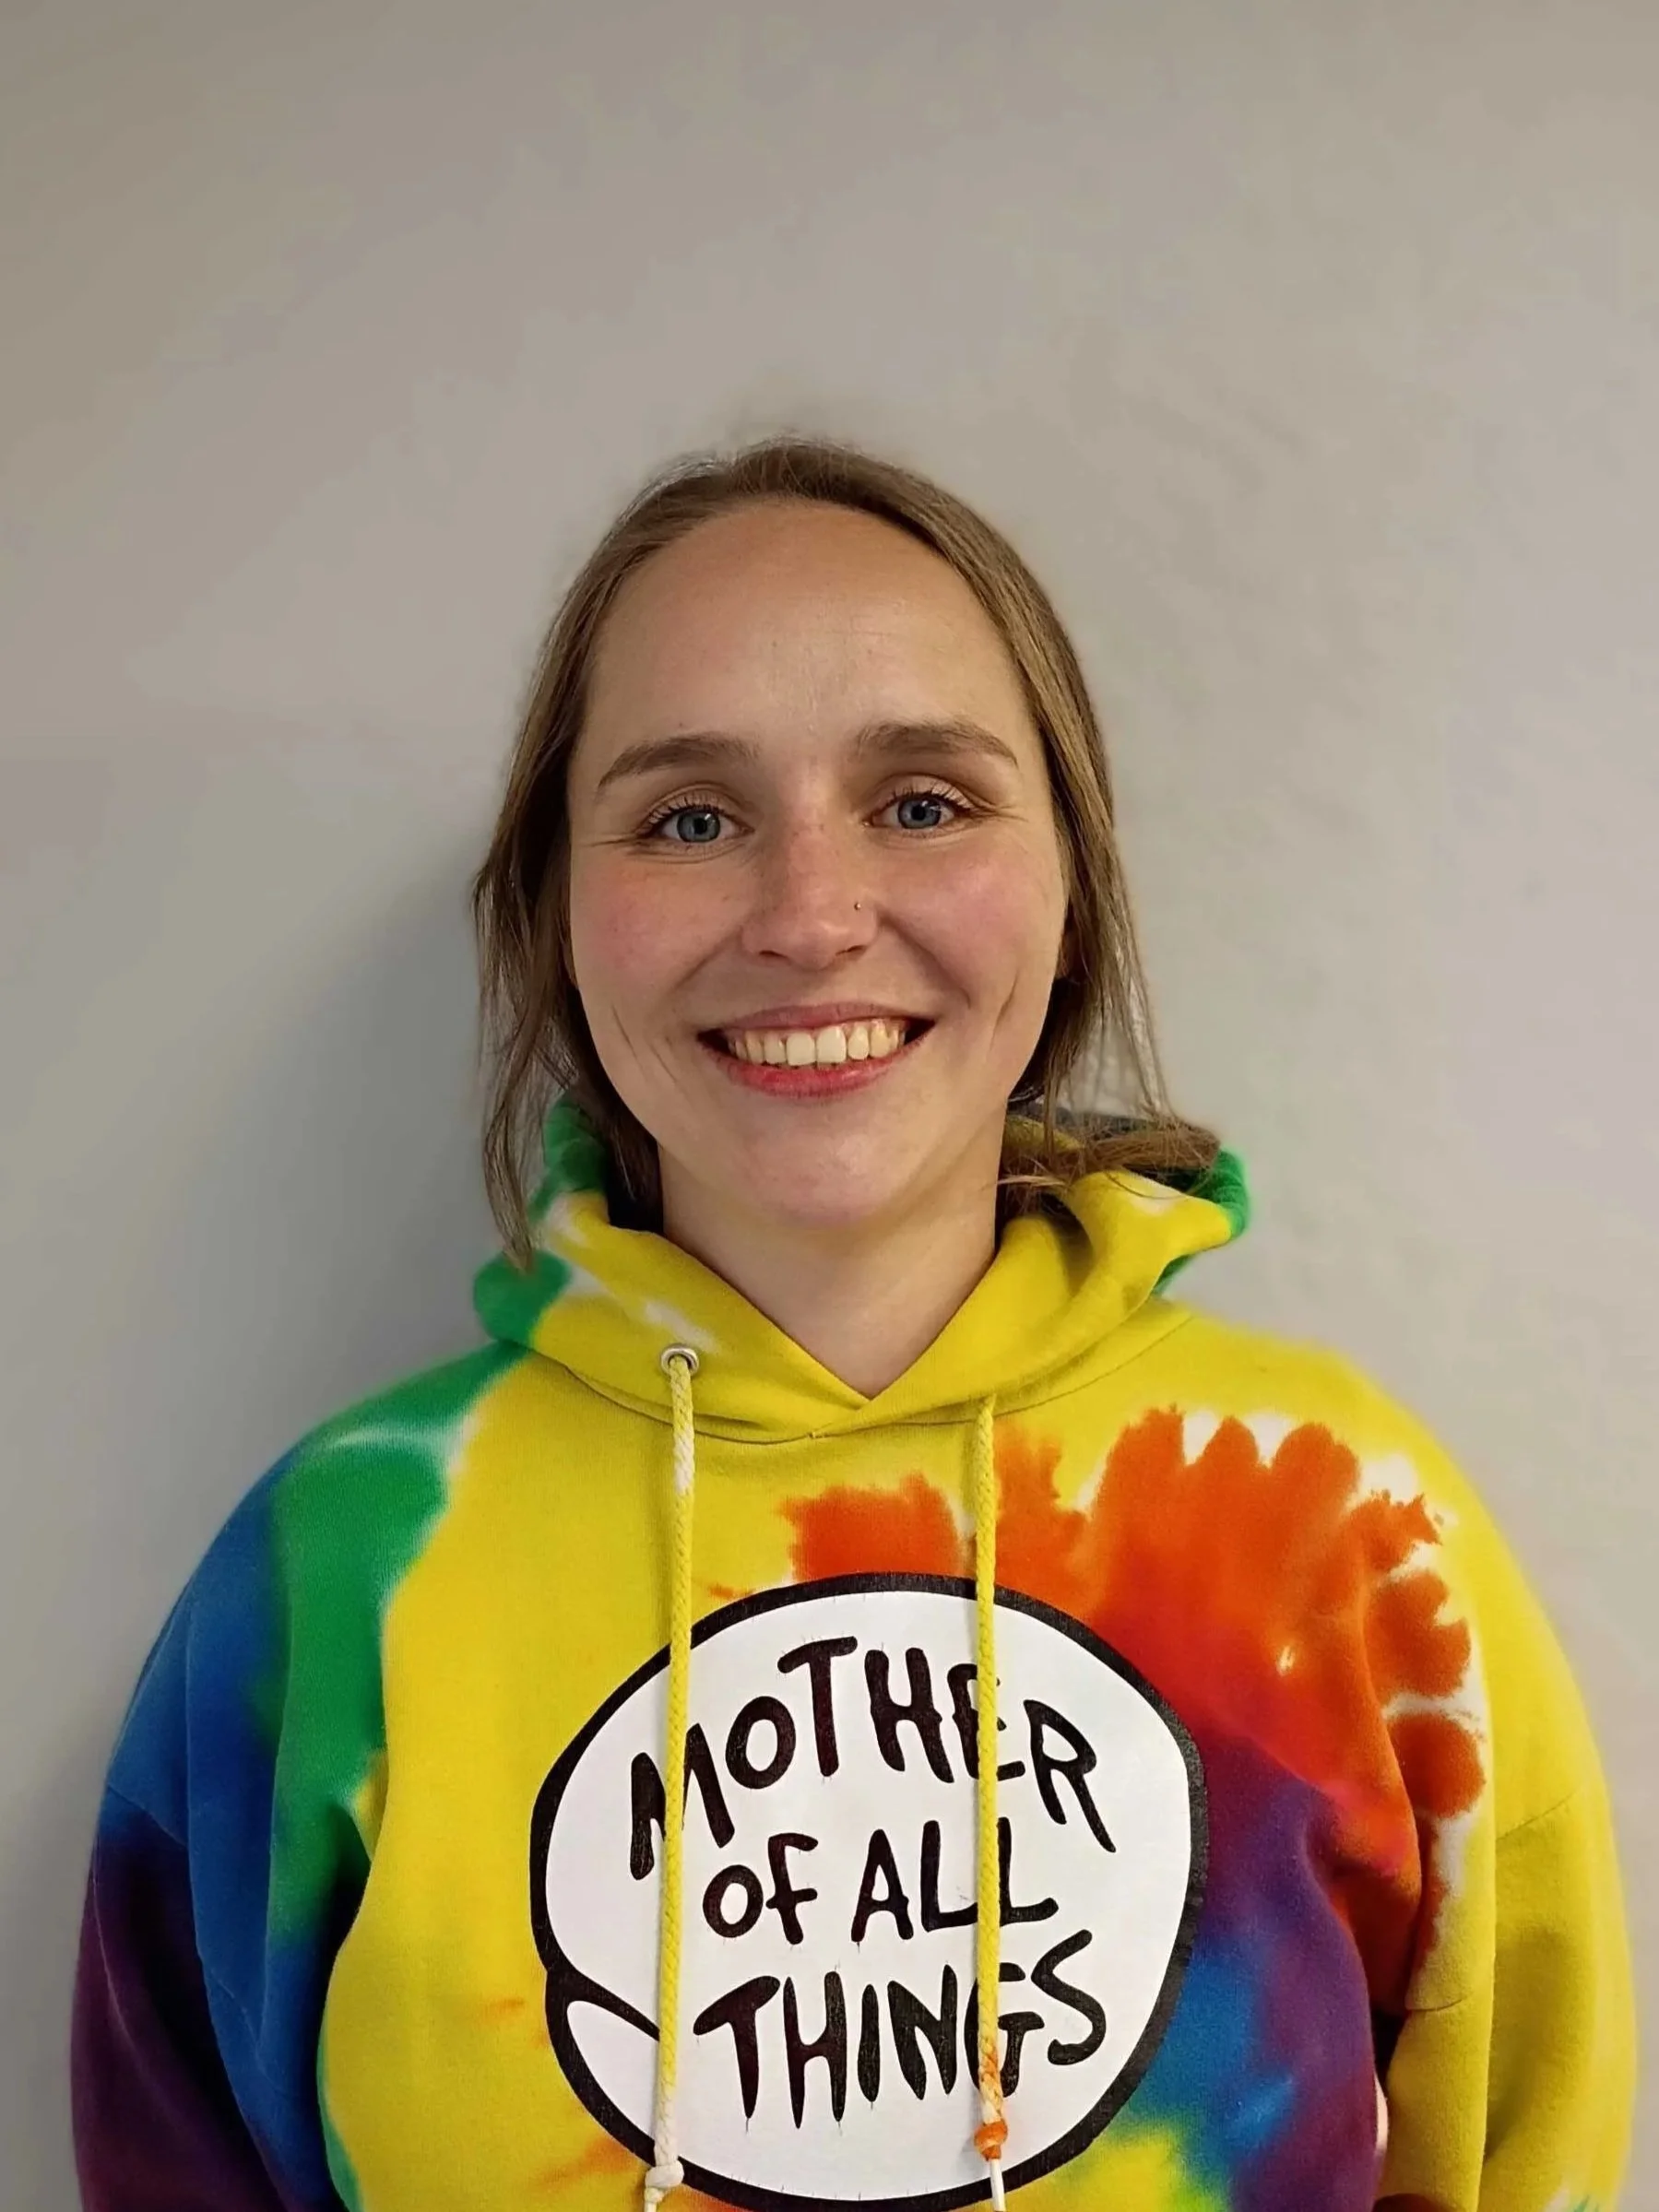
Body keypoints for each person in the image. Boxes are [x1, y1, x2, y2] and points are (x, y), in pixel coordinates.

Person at [70, 436, 1634, 2212]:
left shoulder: (1344, 1528)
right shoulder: (331, 1574)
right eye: (689, 817)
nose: (810, 918)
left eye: (923, 801)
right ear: (557, 912)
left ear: (1067, 888)